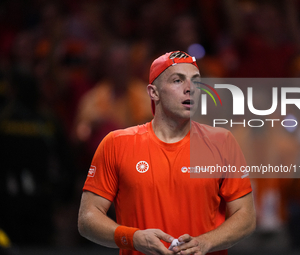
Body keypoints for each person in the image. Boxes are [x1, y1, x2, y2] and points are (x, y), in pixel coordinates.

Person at [78, 51, 256, 255]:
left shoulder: (222, 142)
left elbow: (246, 216)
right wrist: (133, 238)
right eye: (178, 80)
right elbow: (87, 218)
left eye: (196, 81)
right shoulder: (116, 144)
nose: (190, 89)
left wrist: (206, 242)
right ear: (154, 92)